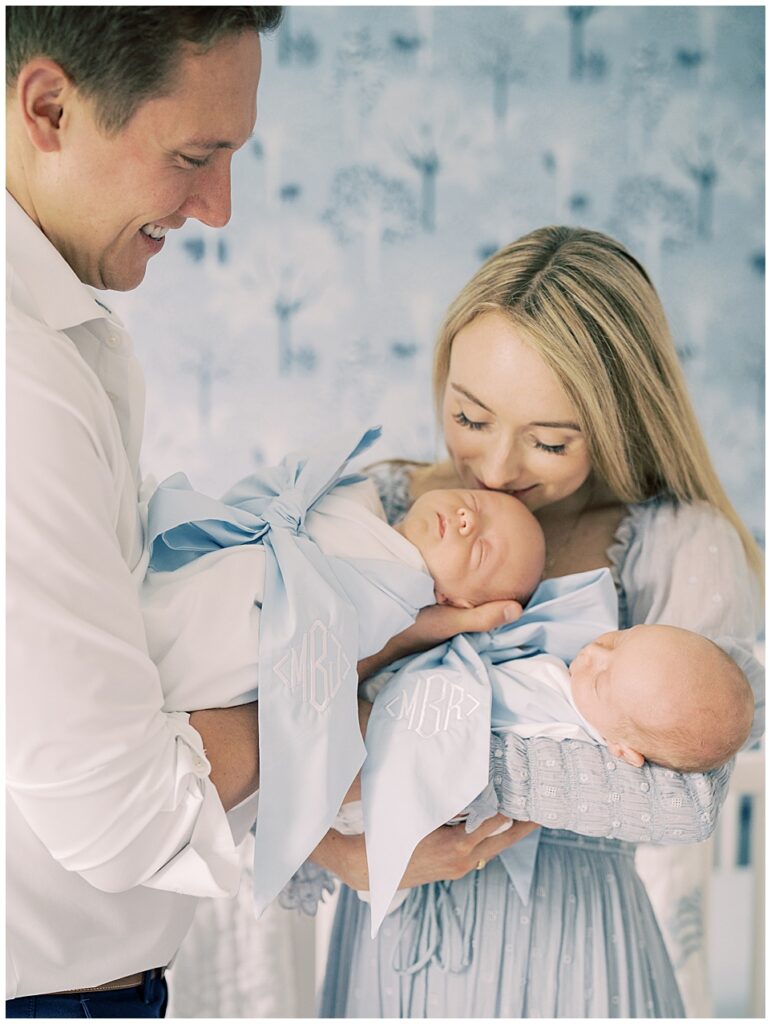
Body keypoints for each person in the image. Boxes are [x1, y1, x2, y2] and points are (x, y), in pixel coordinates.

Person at [6, 10, 528, 1014]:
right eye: (195, 156)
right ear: (50, 108)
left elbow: (143, 673)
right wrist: (347, 666)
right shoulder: (19, 382)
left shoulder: (73, 336)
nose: (219, 207)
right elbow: (117, 812)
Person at [316, 226, 764, 1018]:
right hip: (389, 945)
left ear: (620, 418)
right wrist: (340, 852)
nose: (491, 470)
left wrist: (383, 741)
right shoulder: (381, 509)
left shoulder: (677, 543)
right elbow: (252, 711)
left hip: (575, 954)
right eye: (470, 417)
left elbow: (679, 798)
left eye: (549, 442)